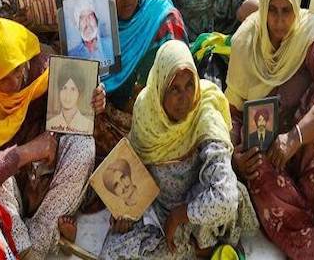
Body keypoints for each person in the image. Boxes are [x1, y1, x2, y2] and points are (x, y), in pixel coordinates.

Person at [0, 19, 98, 258]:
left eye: (19, 70)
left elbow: (76, 106)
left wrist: (94, 99)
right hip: (10, 190)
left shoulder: (43, 70)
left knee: (84, 145)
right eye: (3, 78)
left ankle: (36, 244)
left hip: (47, 182)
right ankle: (22, 245)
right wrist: (24, 152)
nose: (15, 82)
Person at [99, 40, 258, 259]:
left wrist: (180, 215)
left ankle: (204, 247)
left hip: (200, 207)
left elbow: (225, 196)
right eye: (174, 88)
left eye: (189, 85)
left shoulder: (205, 111)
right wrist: (125, 211)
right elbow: (133, 163)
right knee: (112, 253)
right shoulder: (148, 111)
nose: (184, 98)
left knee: (218, 210)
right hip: (159, 207)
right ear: (160, 87)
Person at [94, 0, 187, 157]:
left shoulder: (161, 16)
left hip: (157, 115)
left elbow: (181, 77)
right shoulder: (94, 18)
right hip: (108, 112)